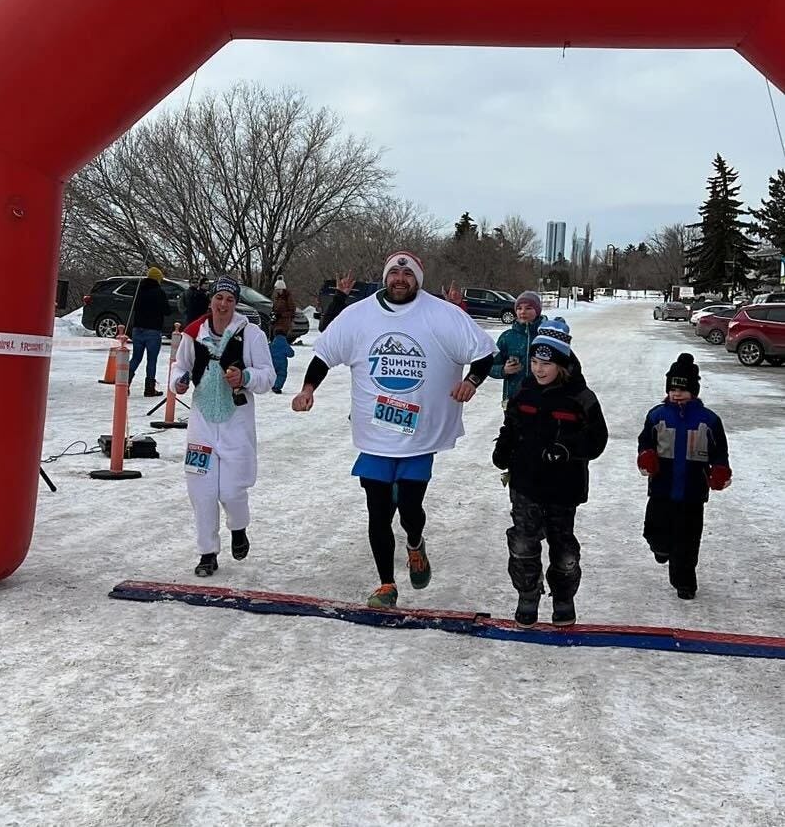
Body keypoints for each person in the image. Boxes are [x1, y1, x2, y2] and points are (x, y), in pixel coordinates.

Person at [292, 251, 497, 608]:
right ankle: (386, 584)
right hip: (375, 434)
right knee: (378, 511)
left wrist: (473, 381)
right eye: (394, 273)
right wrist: (308, 389)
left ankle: (415, 544)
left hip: (420, 435)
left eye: (407, 273)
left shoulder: (442, 314)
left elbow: (483, 352)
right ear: (386, 277)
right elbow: (324, 354)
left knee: (411, 508)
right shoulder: (358, 315)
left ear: (417, 278)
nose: (400, 279)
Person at [492, 319, 608, 627]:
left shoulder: (581, 398)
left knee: (563, 549)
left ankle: (563, 597)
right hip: (525, 483)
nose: (539, 369)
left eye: (547, 362)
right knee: (523, 544)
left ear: (562, 363)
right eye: (534, 361)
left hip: (563, 488)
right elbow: (511, 426)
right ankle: (528, 595)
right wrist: (503, 448)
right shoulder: (524, 393)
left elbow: (597, 441)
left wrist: (568, 448)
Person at [169, 276, 275, 577]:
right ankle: (207, 552)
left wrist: (246, 378)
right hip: (202, 421)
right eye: (219, 298)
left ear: (235, 303)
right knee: (200, 491)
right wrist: (178, 381)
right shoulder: (193, 334)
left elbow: (269, 376)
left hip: (235, 422)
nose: (223, 304)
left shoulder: (250, 334)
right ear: (211, 301)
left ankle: (238, 528)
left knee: (231, 490)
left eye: (230, 299)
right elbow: (180, 366)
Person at [636, 353, 731, 600]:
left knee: (687, 540)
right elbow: (645, 439)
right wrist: (646, 454)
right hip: (661, 486)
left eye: (683, 389)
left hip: (692, 490)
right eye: (672, 389)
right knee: (655, 530)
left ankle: (684, 582)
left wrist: (720, 468)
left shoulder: (708, 420)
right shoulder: (657, 415)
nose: (676, 394)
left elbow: (719, 449)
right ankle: (660, 547)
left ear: (694, 391)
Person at [128, 266, 171, 397]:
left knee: (136, 357)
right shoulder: (159, 292)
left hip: (138, 329)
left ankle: (124, 384)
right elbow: (167, 310)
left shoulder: (139, 291)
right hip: (153, 330)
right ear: (158, 279)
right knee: (151, 360)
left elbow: (134, 307)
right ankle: (149, 388)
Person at [269, 327, 294, 394]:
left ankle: (271, 384)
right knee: (281, 375)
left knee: (273, 374)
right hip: (282, 364)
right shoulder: (285, 344)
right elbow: (291, 354)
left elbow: (267, 352)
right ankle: (276, 387)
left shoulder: (272, 344)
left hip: (272, 362)